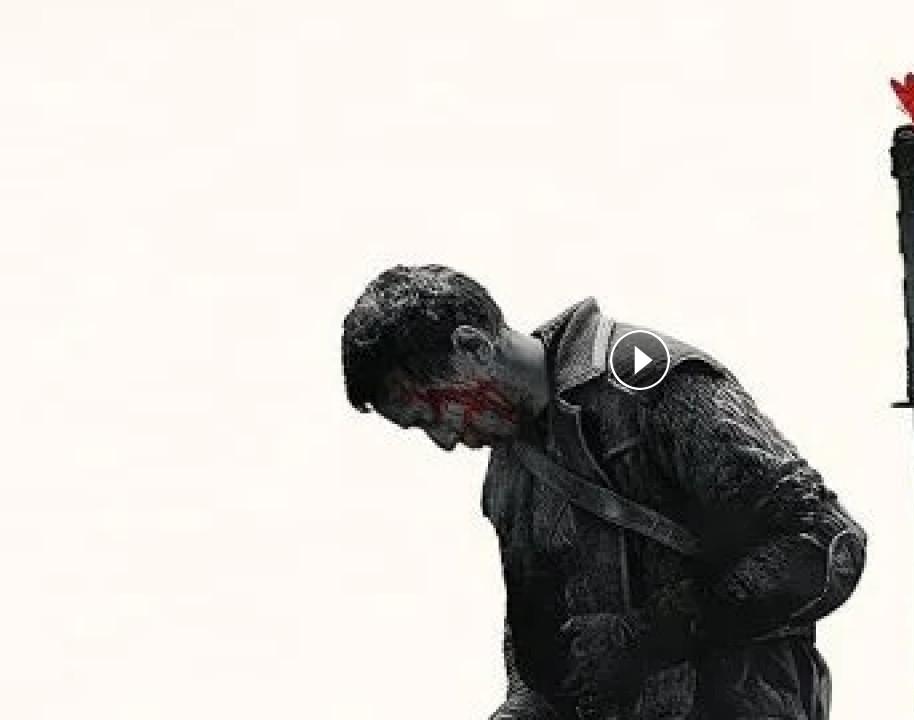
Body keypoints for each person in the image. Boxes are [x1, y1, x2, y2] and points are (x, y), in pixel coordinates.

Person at [342, 264, 867, 720]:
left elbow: (826, 544)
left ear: (473, 347)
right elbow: (542, 664)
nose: (443, 441)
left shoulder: (649, 385)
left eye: (433, 413)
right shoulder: (507, 476)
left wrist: (652, 635)